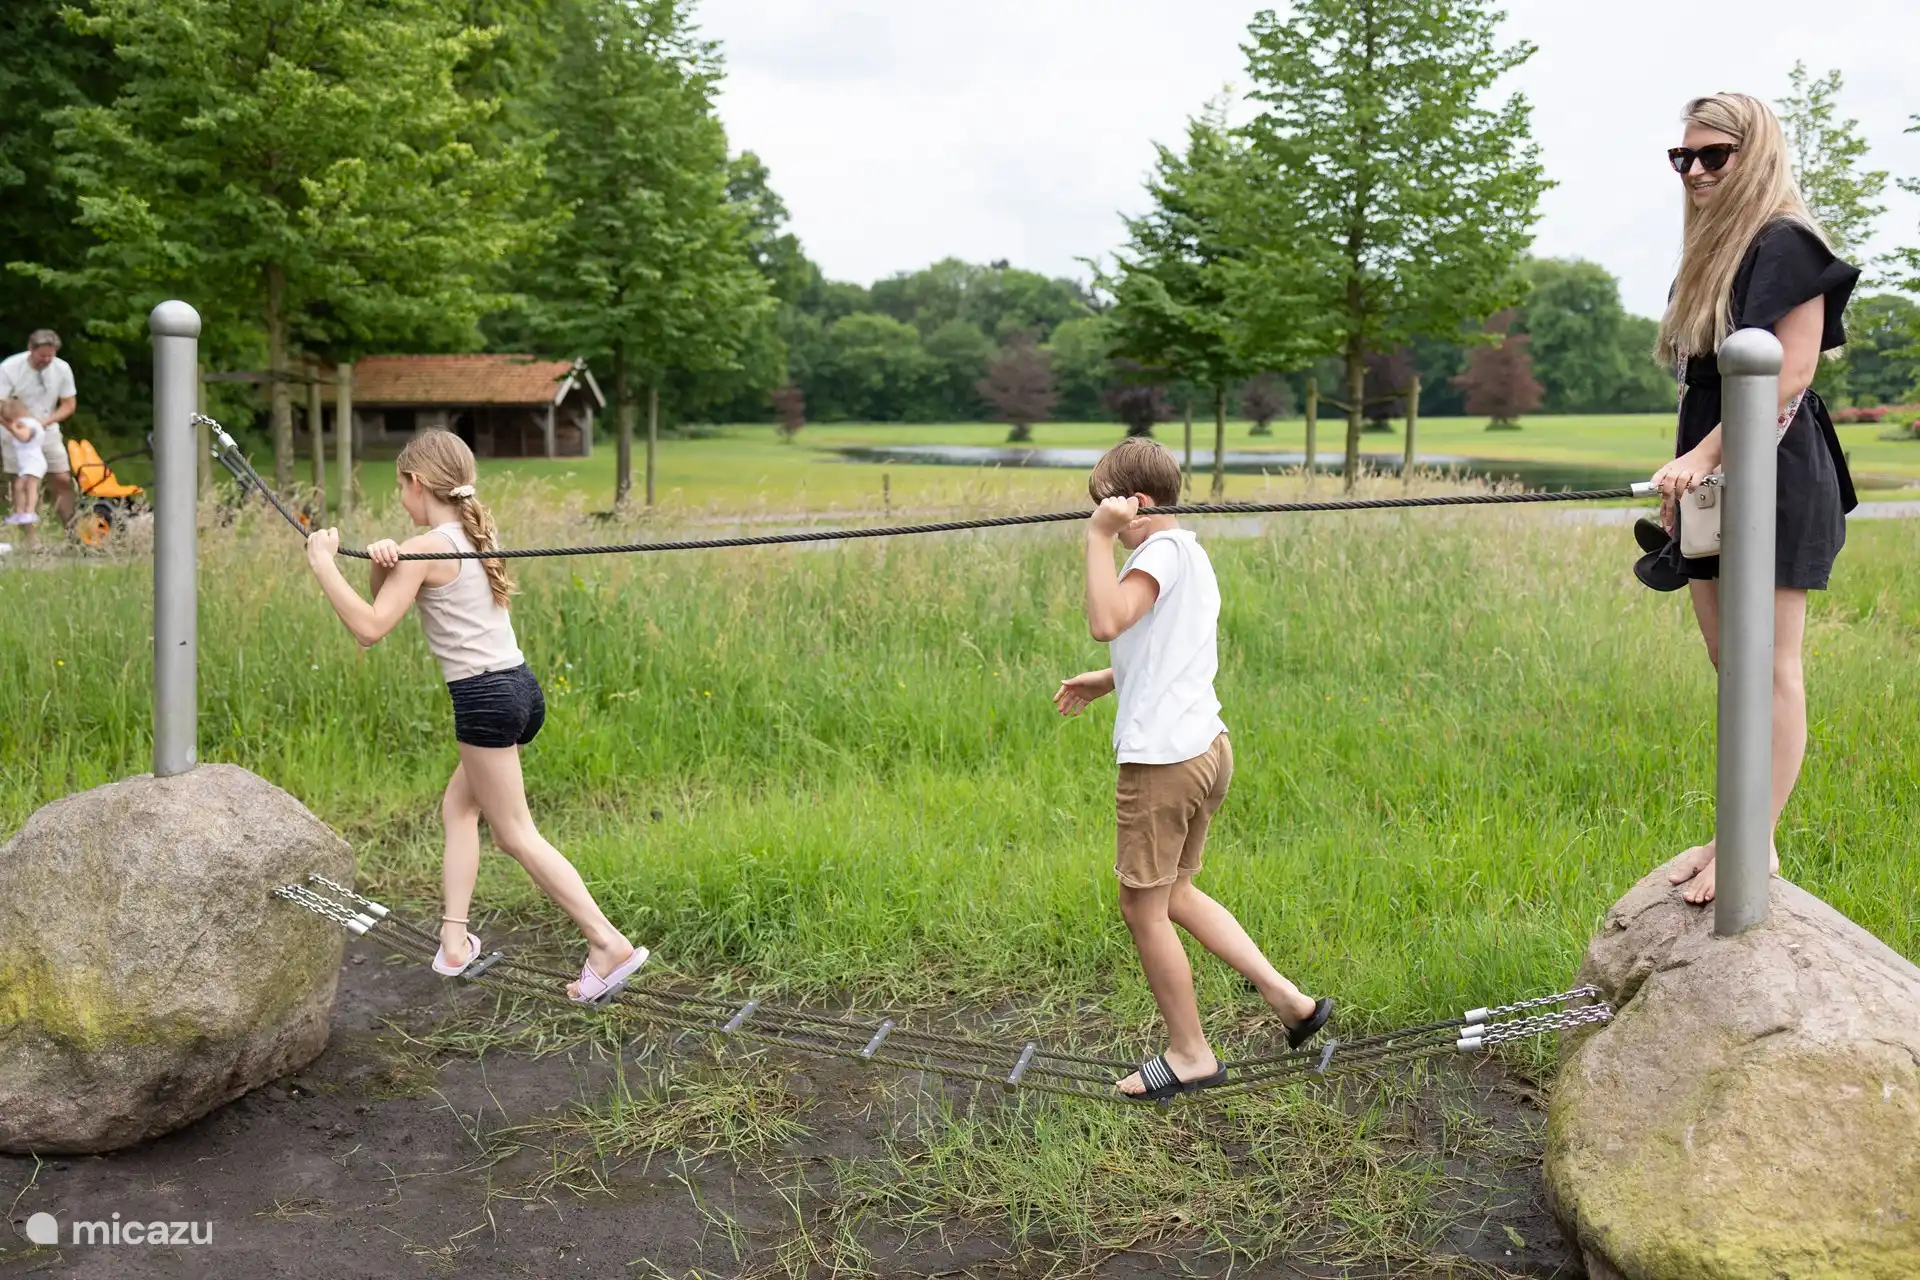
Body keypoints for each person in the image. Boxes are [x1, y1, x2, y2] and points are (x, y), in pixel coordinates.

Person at [303, 429, 648, 1003]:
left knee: (515, 834)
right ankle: (455, 941)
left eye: (400, 487)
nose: (399, 498)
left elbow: (368, 630)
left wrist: (323, 565)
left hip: (486, 701)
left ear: (415, 483)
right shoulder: (468, 533)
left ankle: (607, 943)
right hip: (520, 688)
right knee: (458, 808)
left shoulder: (424, 550)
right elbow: (389, 596)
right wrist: (382, 561)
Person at [1055, 438, 1332, 1101]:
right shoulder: (1192, 553)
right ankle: (1289, 1001)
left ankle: (1190, 1054)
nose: (1107, 523)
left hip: (1164, 763)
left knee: (1141, 907)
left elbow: (1105, 619)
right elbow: (1163, 648)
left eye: (1109, 507)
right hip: (1207, 747)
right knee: (1174, 892)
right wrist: (1105, 679)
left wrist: (1098, 538)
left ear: (1136, 505)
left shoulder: (1153, 551)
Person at [1647, 92, 1860, 906]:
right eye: (1683, 157)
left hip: (1770, 467)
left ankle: (1754, 844)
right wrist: (1687, 472)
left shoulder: (1787, 242)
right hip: (1712, 467)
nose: (1695, 170)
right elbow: (1704, 384)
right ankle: (1737, 829)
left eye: (1713, 156)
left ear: (1755, 154)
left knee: (1770, 665)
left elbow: (1790, 372)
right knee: (1728, 663)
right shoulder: (1714, 249)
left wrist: (1701, 459)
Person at [0, 330, 77, 527]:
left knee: (62, 478)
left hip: (47, 430)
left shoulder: (62, 368)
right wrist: (16, 427)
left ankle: (72, 531)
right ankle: (31, 541)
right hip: (14, 433)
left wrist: (44, 423)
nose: (47, 359)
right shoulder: (10, 368)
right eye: (42, 355)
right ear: (30, 349)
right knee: (22, 484)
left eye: (51, 355)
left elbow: (69, 403)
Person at [1, 397, 46, 536]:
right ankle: (20, 512)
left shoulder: (28, 424)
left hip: (34, 462)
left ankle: (29, 511)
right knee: (18, 487)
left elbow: (24, 437)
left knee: (30, 486)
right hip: (26, 464)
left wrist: (12, 426)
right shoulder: (23, 422)